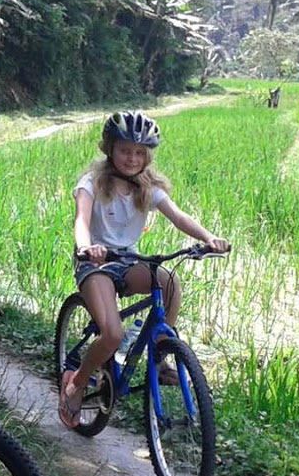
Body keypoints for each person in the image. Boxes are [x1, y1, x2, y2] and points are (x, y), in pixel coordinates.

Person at [59, 111, 230, 429]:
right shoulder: (91, 183)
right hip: (95, 264)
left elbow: (178, 217)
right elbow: (81, 220)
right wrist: (86, 247)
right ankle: (77, 383)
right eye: (125, 150)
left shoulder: (147, 188)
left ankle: (160, 357)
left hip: (127, 261)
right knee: (112, 334)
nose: (132, 158)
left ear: (148, 156)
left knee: (168, 282)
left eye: (140, 153)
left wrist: (208, 238)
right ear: (109, 149)